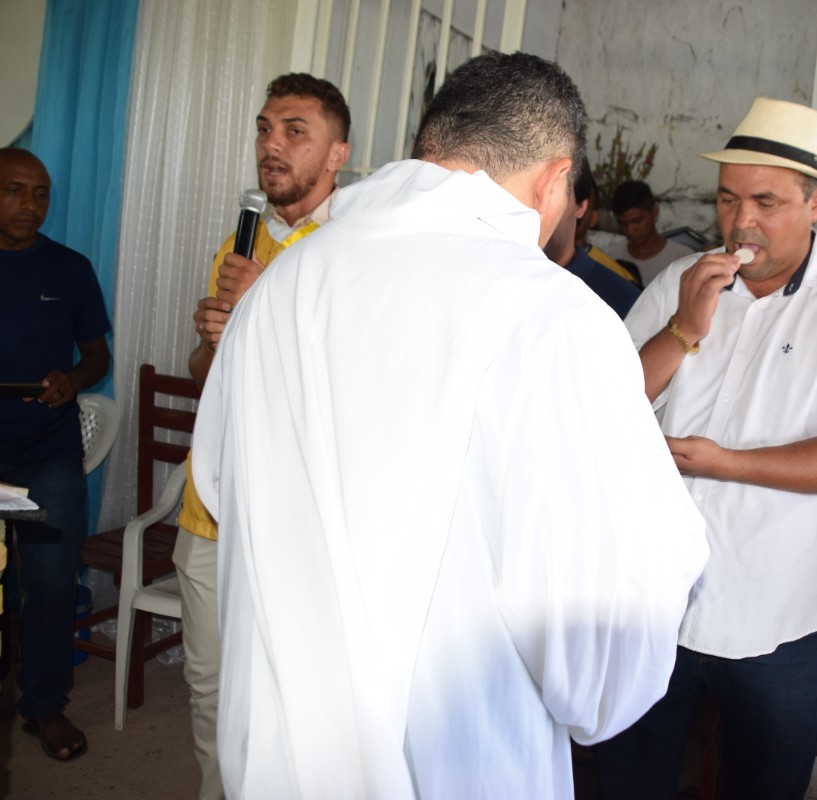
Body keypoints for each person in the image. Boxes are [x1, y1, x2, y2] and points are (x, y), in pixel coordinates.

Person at [191, 52, 708, 799]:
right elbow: (598, 674)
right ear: (555, 179)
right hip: (454, 764)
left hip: (277, 751)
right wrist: (675, 540)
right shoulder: (553, 317)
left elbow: (218, 479)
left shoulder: (280, 288)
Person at [592, 97, 817, 798]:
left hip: (779, 621)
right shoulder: (683, 281)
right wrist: (680, 329)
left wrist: (725, 463)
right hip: (655, 606)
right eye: (728, 198)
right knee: (624, 784)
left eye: (766, 201)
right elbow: (603, 406)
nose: (740, 222)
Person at [176, 72, 350, 800]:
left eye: (293, 131)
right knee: (211, 690)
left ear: (338, 154)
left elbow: (345, 393)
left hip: (295, 520)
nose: (269, 146)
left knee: (294, 703)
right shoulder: (240, 241)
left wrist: (264, 311)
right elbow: (205, 375)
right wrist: (218, 336)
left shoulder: (352, 252)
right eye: (263, 128)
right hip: (213, 511)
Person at [0, 147, 111, 761]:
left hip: (46, 457)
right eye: (15, 190)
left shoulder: (70, 269)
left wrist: (74, 377)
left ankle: (43, 706)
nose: (30, 205)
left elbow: (98, 355)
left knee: (46, 583)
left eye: (40, 193)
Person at [544, 157, 641, 317]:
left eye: (551, 194)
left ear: (581, 206)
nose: (534, 208)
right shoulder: (495, 280)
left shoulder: (621, 297)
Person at [610, 180, 695, 287]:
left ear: (654, 212)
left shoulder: (682, 258)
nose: (630, 230)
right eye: (623, 223)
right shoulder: (614, 260)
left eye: (637, 221)